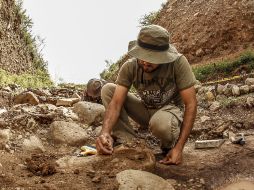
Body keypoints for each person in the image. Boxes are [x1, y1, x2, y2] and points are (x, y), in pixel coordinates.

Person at [96, 25, 197, 165]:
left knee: (161, 124)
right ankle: (128, 141)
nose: (145, 61)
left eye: (152, 58)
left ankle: (169, 145)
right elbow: (116, 103)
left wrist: (180, 147)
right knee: (108, 89)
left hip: (170, 112)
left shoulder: (178, 63)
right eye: (142, 55)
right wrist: (105, 132)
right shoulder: (130, 66)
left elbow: (191, 103)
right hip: (146, 110)